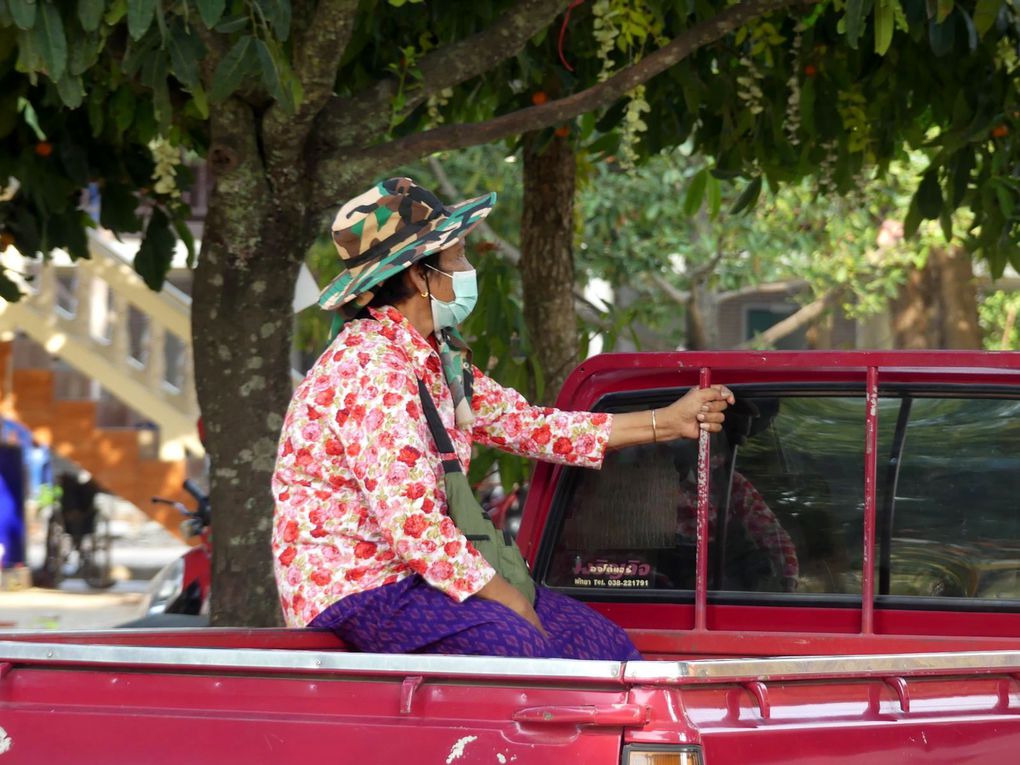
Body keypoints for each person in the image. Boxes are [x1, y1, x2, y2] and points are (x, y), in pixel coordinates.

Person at [271, 177, 734, 660]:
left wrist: (669, 421)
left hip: (423, 578)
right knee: (519, 650)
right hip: (359, 591)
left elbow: (529, 426)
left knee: (604, 648)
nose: (467, 269)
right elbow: (414, 526)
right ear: (418, 276)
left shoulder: (434, 359)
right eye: (457, 258)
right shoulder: (369, 368)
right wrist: (510, 599)